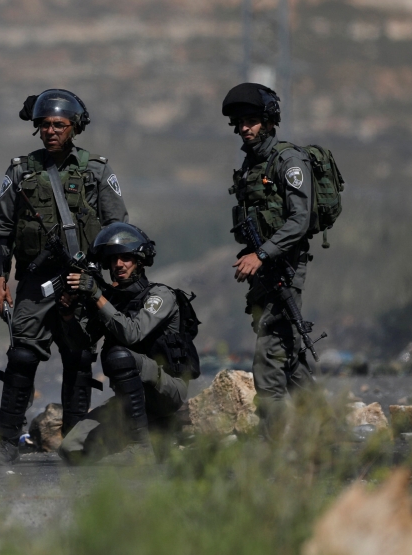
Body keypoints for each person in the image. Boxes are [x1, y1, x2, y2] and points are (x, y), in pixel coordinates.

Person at [0, 89, 128, 465]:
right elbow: (2, 231)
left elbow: (117, 228)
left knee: (79, 357)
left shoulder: (96, 170)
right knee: (21, 356)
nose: (51, 132)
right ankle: (6, 441)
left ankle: (75, 439)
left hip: (83, 279)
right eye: (45, 125)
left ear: (74, 127)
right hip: (35, 279)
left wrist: (113, 277)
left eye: (59, 125)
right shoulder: (21, 170)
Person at [57, 223, 199, 464]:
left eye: (126, 258)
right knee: (71, 450)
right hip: (130, 401)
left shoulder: (160, 296)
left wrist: (96, 296)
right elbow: (82, 343)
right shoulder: (109, 300)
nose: (119, 265)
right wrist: (68, 315)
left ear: (140, 261)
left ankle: (140, 444)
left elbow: (132, 334)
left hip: (166, 390)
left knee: (119, 355)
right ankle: (156, 430)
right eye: (113, 259)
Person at [222, 83, 315, 437]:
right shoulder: (252, 163)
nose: (245, 128)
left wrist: (261, 254)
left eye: (252, 120)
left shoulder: (288, 161)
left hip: (284, 269)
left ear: (269, 121)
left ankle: (271, 447)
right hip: (265, 271)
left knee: (269, 361)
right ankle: (321, 430)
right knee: (290, 355)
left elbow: (299, 220)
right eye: (240, 122)